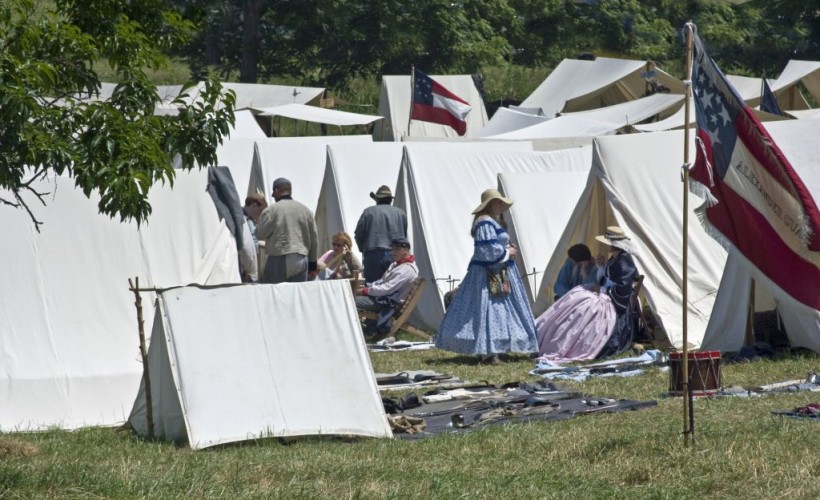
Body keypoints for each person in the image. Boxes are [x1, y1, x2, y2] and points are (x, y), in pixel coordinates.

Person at [435, 189, 538, 364]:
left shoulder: (493, 222)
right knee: (488, 310)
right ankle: (488, 353)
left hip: (500, 271)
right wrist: (507, 251)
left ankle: (497, 348)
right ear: (490, 204)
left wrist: (507, 247)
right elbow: (487, 252)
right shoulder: (484, 222)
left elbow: (494, 245)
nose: (502, 205)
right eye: (498, 202)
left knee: (500, 310)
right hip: (488, 273)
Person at [534, 226, 639, 362]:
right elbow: (606, 279)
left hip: (613, 300)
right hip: (605, 293)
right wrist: (601, 267)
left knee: (585, 302)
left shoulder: (624, 262)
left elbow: (622, 290)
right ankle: (550, 333)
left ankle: (570, 341)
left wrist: (601, 290)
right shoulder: (615, 258)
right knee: (578, 293)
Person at [255, 177, 318, 284]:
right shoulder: (306, 210)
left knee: (275, 295)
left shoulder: (272, 210)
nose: (272, 195)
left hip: (279, 257)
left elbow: (259, 234)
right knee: (296, 296)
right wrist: (313, 263)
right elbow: (314, 239)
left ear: (276, 190)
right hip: (301, 258)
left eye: (273, 192)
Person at [355, 237, 419, 339]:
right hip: (383, 298)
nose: (393, 252)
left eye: (397, 249)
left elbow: (387, 288)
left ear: (406, 250)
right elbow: (382, 282)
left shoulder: (407, 269)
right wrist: (368, 286)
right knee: (351, 299)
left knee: (352, 302)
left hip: (390, 303)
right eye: (393, 249)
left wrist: (365, 291)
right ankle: (368, 330)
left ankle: (363, 332)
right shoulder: (396, 265)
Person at [354, 185, 408, 283]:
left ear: (377, 199)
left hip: (373, 254)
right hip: (395, 254)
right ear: (390, 200)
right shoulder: (401, 214)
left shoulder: (368, 212)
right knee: (393, 286)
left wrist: (363, 249)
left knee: (372, 288)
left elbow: (358, 234)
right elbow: (404, 236)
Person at [239, 194, 267, 282]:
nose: (260, 214)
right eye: (260, 210)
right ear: (254, 205)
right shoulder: (242, 218)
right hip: (245, 263)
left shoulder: (249, 219)